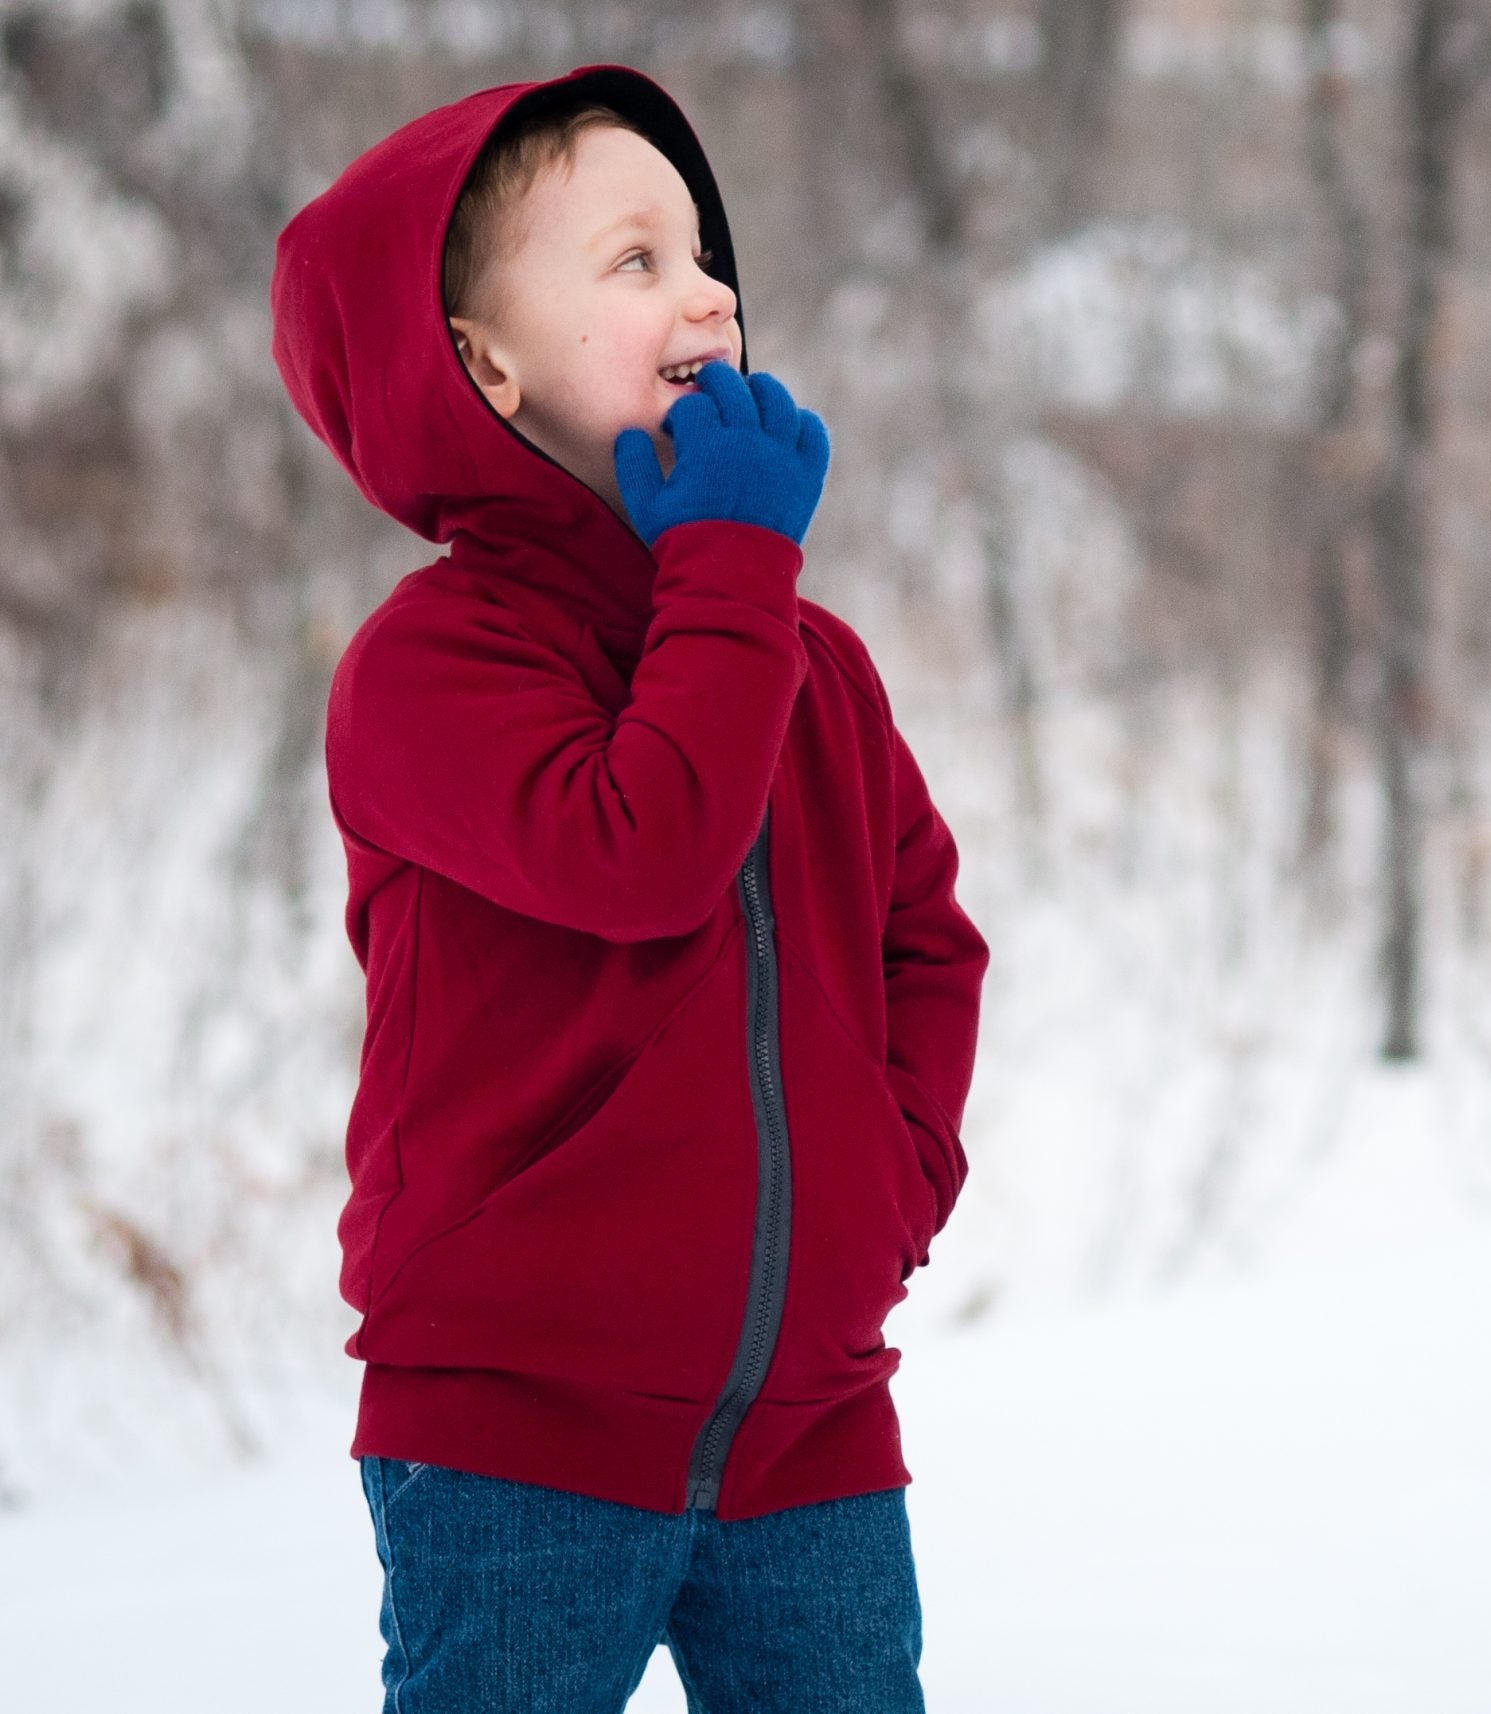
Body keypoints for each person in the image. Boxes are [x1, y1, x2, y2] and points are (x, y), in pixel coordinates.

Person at [270, 62, 989, 1713]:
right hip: (520, 1437)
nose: (708, 287)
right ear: (484, 364)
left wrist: (896, 1179)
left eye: (705, 249)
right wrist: (734, 563)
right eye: (635, 258)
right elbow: (641, 848)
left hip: (807, 1429)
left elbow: (925, 933)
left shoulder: (807, 659)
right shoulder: (428, 668)